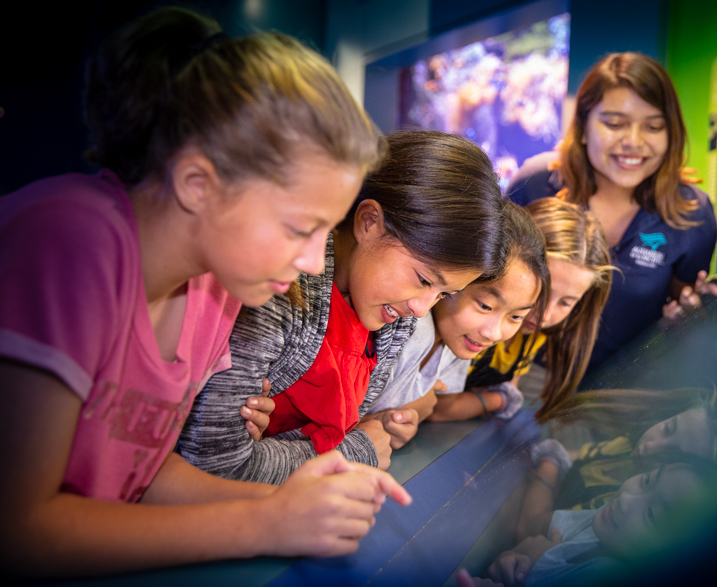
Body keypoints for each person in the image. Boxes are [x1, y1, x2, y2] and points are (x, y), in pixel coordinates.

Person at [0, 8, 416, 577]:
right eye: (299, 228)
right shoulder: (72, 240)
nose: (308, 260)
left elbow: (140, 473)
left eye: (325, 232)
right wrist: (262, 524)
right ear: (198, 183)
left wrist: (294, 503)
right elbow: (17, 528)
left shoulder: (214, 291)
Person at [178, 130, 507, 479]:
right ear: (369, 222)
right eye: (424, 280)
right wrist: (356, 452)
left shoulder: (393, 322)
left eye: (443, 294)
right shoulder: (279, 289)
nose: (423, 308)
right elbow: (217, 463)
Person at [506, 52, 717, 373]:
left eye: (653, 126)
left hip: (631, 380)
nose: (633, 141)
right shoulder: (535, 182)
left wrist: (694, 314)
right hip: (523, 372)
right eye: (615, 123)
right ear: (583, 126)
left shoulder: (691, 211)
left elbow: (682, 305)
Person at [363, 201, 549, 447]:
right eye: (484, 305)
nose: (493, 333)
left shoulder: (457, 342)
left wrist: (410, 415)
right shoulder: (406, 328)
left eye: (516, 317)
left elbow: (431, 408)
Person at [429, 197, 614, 422]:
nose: (545, 316)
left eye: (566, 302)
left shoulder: (531, 332)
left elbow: (507, 384)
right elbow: (437, 408)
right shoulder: (468, 323)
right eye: (542, 294)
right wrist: (500, 400)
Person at [516, 387, 717, 541]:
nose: (652, 445)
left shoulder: (619, 508)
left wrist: (549, 463)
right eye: (669, 428)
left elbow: (529, 528)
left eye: (674, 455)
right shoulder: (629, 447)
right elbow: (574, 455)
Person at [440, 461, 713, 587]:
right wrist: (518, 564)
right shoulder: (603, 524)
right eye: (647, 480)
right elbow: (530, 544)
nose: (628, 499)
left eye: (652, 514)